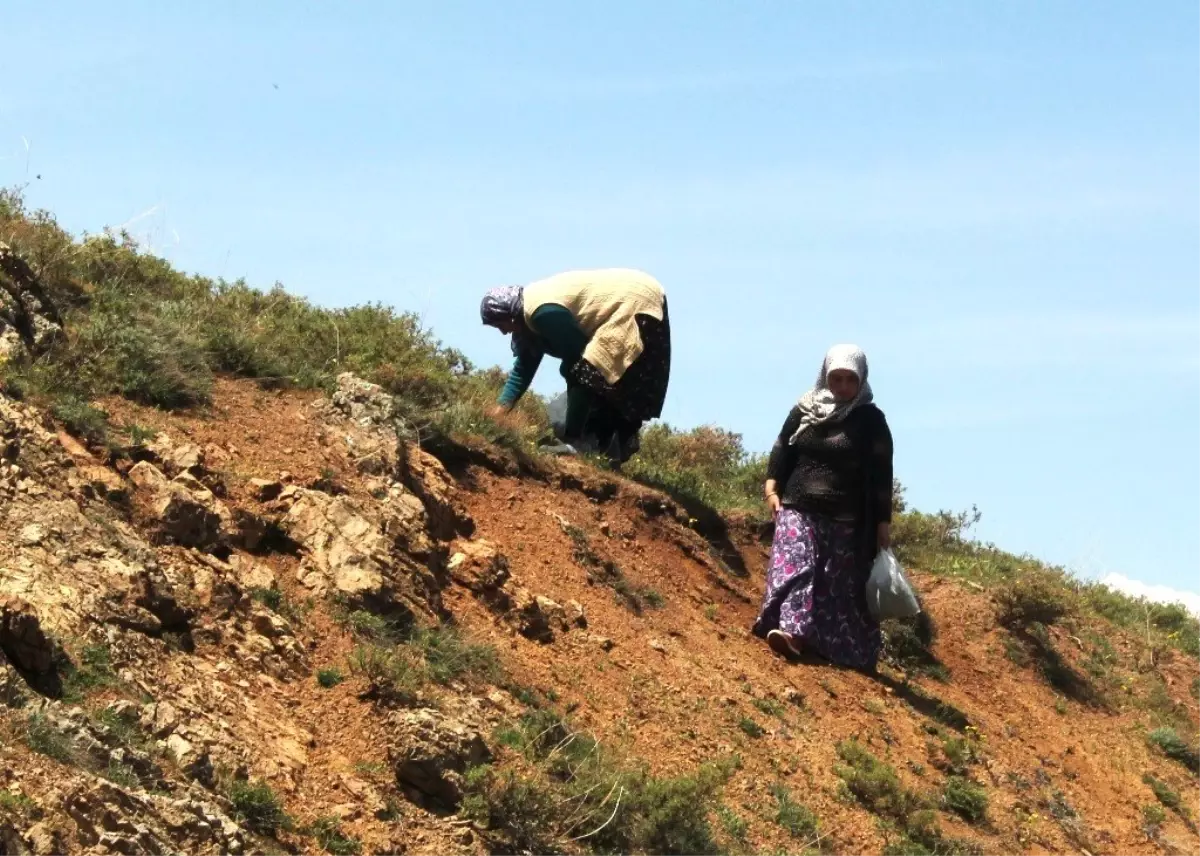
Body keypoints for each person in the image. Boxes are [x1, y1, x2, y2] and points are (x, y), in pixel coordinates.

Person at [751, 344, 893, 672]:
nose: (842, 387)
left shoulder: (870, 420)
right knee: (795, 563)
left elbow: (882, 472)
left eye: (849, 380)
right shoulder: (805, 409)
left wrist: (882, 523)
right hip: (798, 504)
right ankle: (792, 632)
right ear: (825, 376)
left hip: (846, 517)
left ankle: (832, 645)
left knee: (835, 585)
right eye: (836, 378)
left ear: (862, 380)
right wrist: (772, 484)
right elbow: (783, 445)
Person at [479, 268, 671, 464]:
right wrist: (500, 412)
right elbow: (523, 369)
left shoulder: (542, 313)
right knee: (591, 374)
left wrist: (570, 435)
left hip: (634, 302)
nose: (503, 332)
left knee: (585, 370)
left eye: (500, 325)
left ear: (511, 316)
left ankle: (575, 443)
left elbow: (577, 359)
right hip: (637, 295)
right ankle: (598, 447)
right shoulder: (528, 318)